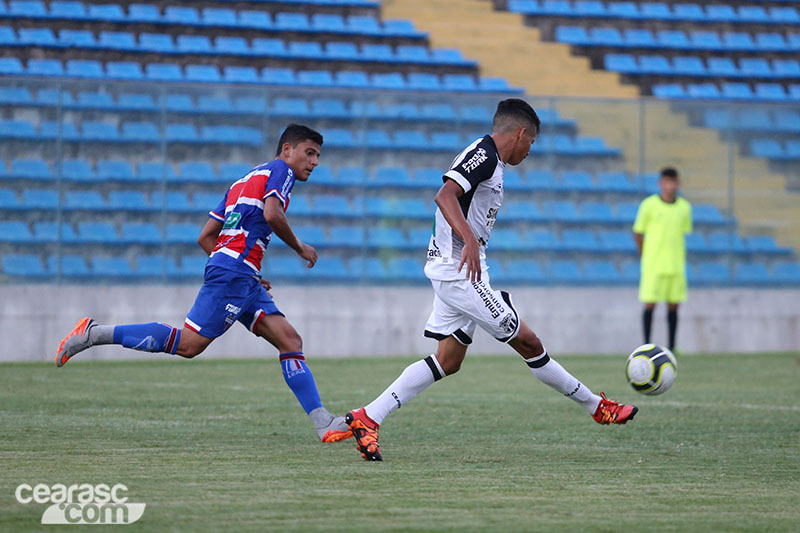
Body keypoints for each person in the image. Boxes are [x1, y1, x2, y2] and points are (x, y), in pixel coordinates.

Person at [344, 99, 639, 462]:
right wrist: (468, 238)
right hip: (458, 269)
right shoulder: (482, 154)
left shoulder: (491, 160)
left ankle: (368, 417)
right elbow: (444, 195)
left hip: (463, 267)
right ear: (520, 133)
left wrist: (471, 244)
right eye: (531, 142)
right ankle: (597, 406)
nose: (530, 150)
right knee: (529, 342)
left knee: (448, 360)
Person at [55, 124, 353, 444]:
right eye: (309, 153)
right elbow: (272, 213)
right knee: (189, 344)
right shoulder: (282, 171)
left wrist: (245, 267)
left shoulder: (242, 181)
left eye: (317, 156)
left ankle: (324, 423)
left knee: (290, 340)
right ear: (287, 150)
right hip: (235, 275)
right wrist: (299, 247)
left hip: (242, 275)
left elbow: (205, 237)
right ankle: (93, 333)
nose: (315, 161)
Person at [633, 167, 692, 352]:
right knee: (650, 304)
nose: (670, 185)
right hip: (654, 265)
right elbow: (638, 232)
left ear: (678, 183)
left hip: (675, 266)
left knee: (673, 307)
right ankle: (646, 345)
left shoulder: (684, 208)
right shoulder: (649, 205)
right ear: (660, 183)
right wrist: (645, 255)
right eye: (666, 181)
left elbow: (682, 233)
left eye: (673, 182)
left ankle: (673, 347)